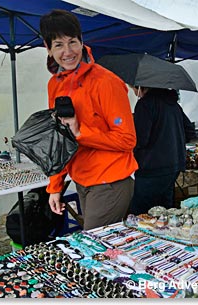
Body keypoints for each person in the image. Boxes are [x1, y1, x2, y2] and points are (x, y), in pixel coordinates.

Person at [39, 10, 138, 230]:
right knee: (101, 249)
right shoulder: (54, 84)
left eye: (72, 42)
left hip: (110, 182)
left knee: (94, 250)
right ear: (47, 48)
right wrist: (55, 186)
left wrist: (80, 133)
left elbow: (127, 140)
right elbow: (59, 141)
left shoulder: (106, 82)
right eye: (58, 45)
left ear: (82, 42)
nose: (68, 52)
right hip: (82, 181)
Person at [129, 87, 194, 215]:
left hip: (151, 168)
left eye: (133, 89)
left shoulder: (145, 104)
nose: (134, 92)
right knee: (166, 211)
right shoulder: (173, 104)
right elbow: (190, 131)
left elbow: (141, 140)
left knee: (141, 215)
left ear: (140, 87)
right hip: (173, 166)